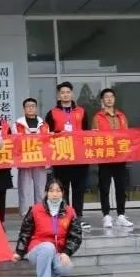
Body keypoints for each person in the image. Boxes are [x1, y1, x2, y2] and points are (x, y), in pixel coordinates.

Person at [12, 179, 82, 277]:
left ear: (62, 193)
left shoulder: (70, 211)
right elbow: (25, 232)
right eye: (51, 191)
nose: (55, 194)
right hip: (37, 250)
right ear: (46, 193)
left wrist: (66, 252)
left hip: (57, 252)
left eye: (58, 191)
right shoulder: (35, 210)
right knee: (48, 247)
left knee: (65, 267)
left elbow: (76, 235)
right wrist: (19, 252)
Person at [44, 82, 90, 224]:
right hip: (61, 156)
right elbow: (47, 134)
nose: (65, 95)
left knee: (78, 188)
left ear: (72, 94)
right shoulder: (52, 113)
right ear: (58, 95)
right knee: (62, 188)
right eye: (62, 92)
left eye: (68, 92)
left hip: (79, 156)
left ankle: (78, 216)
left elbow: (88, 133)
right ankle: (65, 216)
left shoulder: (82, 111)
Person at [92, 88, 134, 229]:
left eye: (111, 96)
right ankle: (106, 216)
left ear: (114, 99)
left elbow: (127, 135)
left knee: (121, 187)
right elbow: (94, 137)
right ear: (102, 100)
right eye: (106, 97)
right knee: (104, 187)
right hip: (105, 157)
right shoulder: (98, 117)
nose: (109, 99)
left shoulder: (121, 116)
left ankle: (121, 215)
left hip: (120, 157)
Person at [15, 98, 50, 217]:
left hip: (40, 159)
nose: (30, 108)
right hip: (24, 160)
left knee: (40, 188)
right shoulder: (17, 124)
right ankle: (25, 214)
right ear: (24, 109)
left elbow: (47, 142)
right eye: (28, 106)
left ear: (36, 108)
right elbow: (15, 141)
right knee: (25, 188)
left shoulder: (44, 124)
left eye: (33, 106)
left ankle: (40, 213)